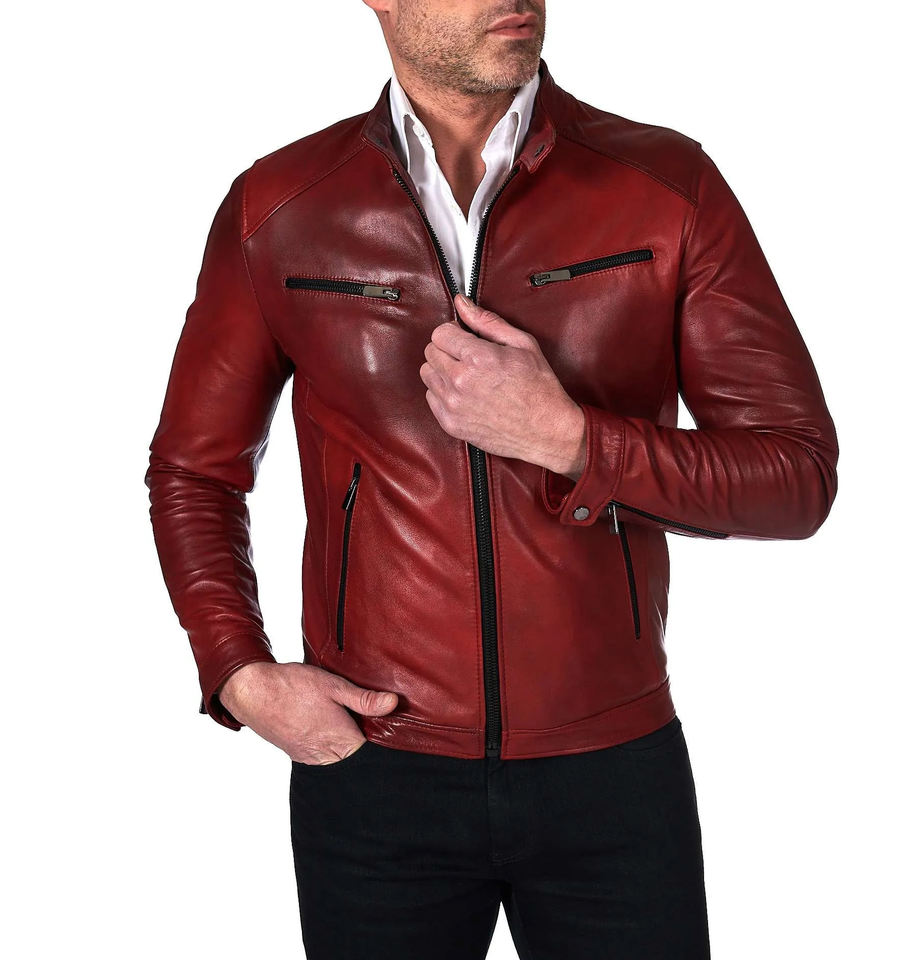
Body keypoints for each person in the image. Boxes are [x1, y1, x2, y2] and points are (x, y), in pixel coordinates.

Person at [144, 2, 839, 957]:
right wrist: (236, 670)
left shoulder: (664, 186)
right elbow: (193, 469)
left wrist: (571, 440)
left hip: (612, 770)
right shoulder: (281, 206)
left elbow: (794, 473)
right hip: (373, 769)